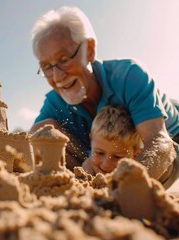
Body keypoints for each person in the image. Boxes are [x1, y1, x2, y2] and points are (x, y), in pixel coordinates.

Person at [29, 6, 179, 182]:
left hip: (169, 137)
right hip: (106, 151)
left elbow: (160, 142)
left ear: (90, 50)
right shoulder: (54, 103)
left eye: (64, 59)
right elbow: (29, 146)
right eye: (47, 67)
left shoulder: (129, 75)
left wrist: (125, 188)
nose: (57, 77)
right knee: (42, 133)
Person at [83, 105, 143, 175]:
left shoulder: (139, 176)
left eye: (118, 157)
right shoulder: (88, 168)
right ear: (91, 141)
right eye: (100, 153)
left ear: (136, 155)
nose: (106, 164)